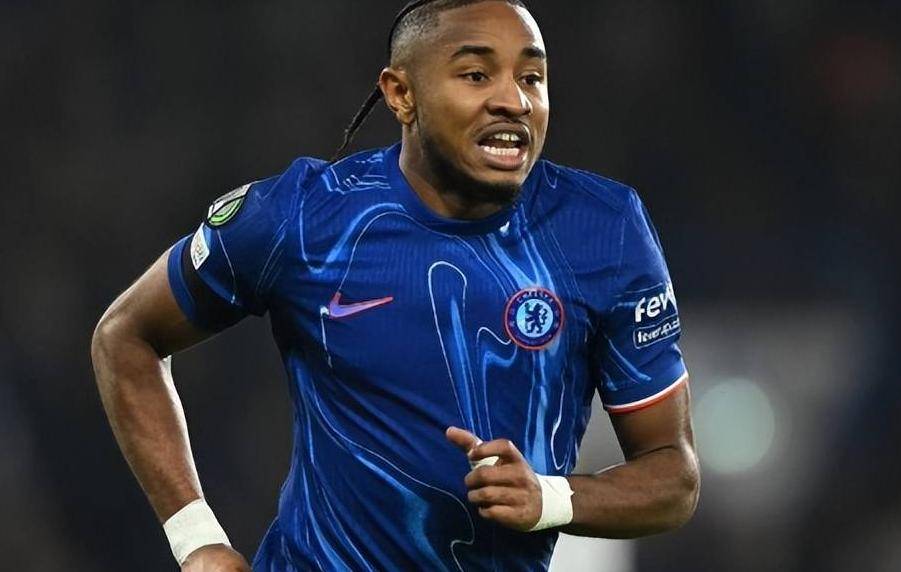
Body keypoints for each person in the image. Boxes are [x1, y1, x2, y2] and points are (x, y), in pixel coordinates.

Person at [91, 0, 700, 570]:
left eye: (532, 77)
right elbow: (126, 336)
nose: (513, 100)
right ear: (401, 94)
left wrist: (552, 498)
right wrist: (197, 541)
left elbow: (673, 476)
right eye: (476, 75)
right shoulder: (302, 218)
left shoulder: (604, 229)